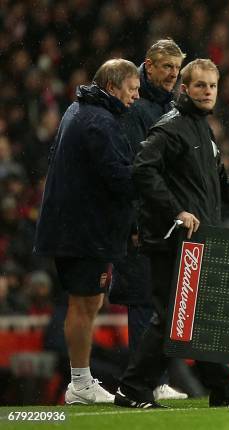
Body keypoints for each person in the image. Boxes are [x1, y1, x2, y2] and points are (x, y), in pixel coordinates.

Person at [115, 58, 229, 409]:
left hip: (197, 239)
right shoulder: (170, 127)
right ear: (185, 88)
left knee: (191, 319)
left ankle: (222, 392)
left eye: (212, 86)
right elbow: (142, 170)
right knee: (172, 317)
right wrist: (176, 211)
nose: (207, 92)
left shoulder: (201, 130)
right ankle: (134, 389)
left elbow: (220, 183)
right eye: (199, 85)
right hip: (171, 238)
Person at [33, 59, 140, 404]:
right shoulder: (99, 120)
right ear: (112, 87)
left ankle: (81, 381)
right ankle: (79, 383)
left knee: (88, 301)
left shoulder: (79, 110)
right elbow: (117, 177)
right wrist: (151, 179)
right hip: (81, 229)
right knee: (82, 303)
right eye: (132, 89)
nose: (136, 96)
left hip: (74, 226)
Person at [107, 39, 187, 401]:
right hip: (143, 219)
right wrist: (137, 224)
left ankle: (156, 377)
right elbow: (136, 169)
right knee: (143, 299)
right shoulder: (136, 106)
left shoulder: (167, 103)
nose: (173, 74)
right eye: (166, 67)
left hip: (164, 214)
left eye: (176, 67)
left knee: (162, 298)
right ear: (149, 66)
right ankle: (145, 381)